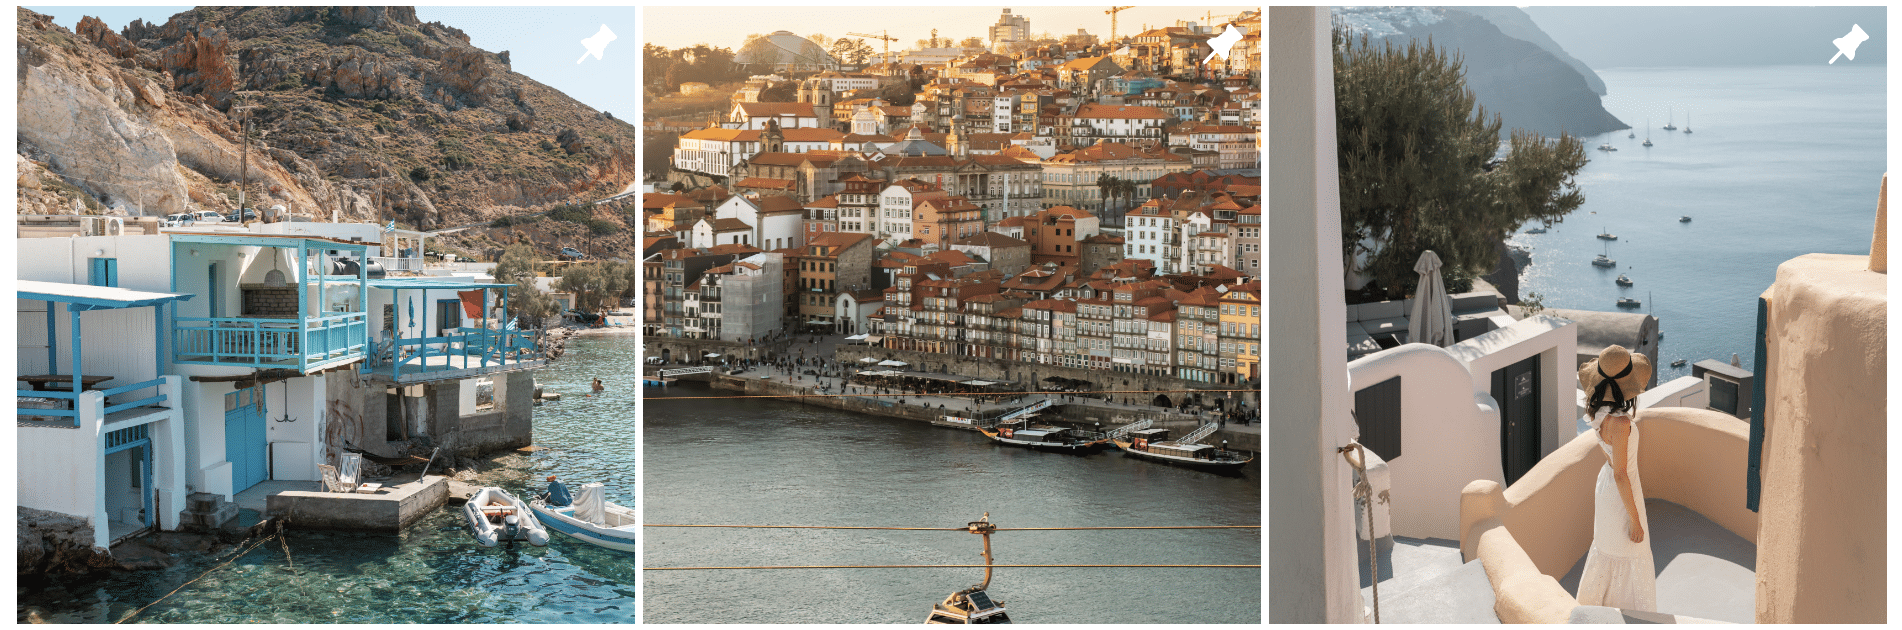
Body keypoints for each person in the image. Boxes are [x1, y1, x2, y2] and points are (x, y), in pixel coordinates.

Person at [1575, 345, 1657, 611]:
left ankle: (1598, 612)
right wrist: (1635, 521)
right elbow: (1622, 475)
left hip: (1607, 486)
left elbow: (1616, 470)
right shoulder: (1621, 424)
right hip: (1621, 490)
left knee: (1608, 550)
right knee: (1630, 552)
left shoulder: (1598, 415)